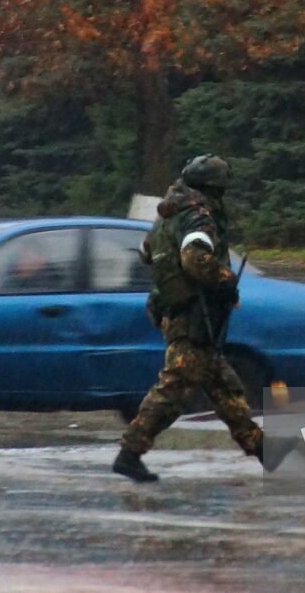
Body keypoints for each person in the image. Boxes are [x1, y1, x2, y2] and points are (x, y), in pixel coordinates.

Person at [113, 154, 272, 483]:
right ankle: (129, 453)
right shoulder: (199, 216)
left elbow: (146, 251)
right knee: (173, 390)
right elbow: (194, 258)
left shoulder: (169, 213)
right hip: (193, 318)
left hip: (178, 313)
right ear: (213, 188)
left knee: (226, 391)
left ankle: (265, 452)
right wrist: (225, 280)